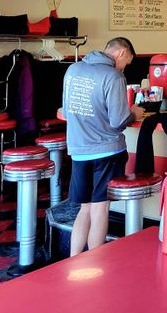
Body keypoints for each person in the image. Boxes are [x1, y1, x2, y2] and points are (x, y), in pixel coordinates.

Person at [64, 37, 144, 256]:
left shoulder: (73, 70)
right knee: (100, 208)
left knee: (85, 207)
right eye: (126, 62)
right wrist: (134, 113)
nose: (125, 66)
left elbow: (66, 109)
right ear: (122, 53)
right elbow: (118, 121)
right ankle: (95, 264)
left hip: (78, 150)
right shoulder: (114, 76)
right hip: (107, 151)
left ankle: (73, 260)